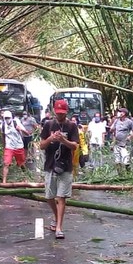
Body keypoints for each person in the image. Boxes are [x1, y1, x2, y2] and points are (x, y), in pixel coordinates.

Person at [39, 99, 79, 239]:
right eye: (58, 113)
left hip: (66, 166)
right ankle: (56, 218)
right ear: (54, 112)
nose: (60, 115)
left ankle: (59, 228)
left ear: (66, 112)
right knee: (50, 196)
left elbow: (75, 146)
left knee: (61, 197)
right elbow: (41, 145)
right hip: (50, 165)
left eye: (62, 113)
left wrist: (63, 140)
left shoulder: (72, 126)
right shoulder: (48, 124)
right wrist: (51, 138)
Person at [0, 110, 29, 183]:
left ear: (11, 117)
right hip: (9, 147)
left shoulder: (16, 122)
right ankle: (4, 181)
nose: (7, 119)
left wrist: (20, 129)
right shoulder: (3, 125)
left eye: (8, 118)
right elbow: (3, 136)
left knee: (21, 164)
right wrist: (4, 147)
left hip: (18, 146)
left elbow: (27, 133)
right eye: (5, 118)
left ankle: (25, 177)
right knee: (6, 163)